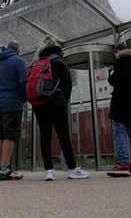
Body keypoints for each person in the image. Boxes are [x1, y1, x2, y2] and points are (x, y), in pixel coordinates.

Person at [31, 36, 89, 181]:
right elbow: (67, 83)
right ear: (55, 46)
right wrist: (65, 100)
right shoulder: (59, 60)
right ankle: (72, 169)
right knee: (63, 134)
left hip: (38, 102)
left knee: (45, 135)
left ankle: (49, 171)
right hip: (56, 100)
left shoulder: (37, 62)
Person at [107, 42, 131, 177]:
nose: (115, 55)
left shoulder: (122, 63)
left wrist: (111, 74)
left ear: (119, 52)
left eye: (115, 52)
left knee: (120, 132)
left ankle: (123, 164)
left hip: (121, 103)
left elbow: (113, 80)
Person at [0, 40, 27, 180]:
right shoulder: (18, 61)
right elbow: (24, 81)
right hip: (12, 102)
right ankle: (6, 169)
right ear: (18, 50)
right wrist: (24, 98)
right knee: (9, 135)